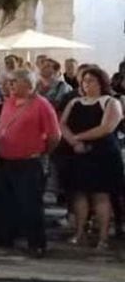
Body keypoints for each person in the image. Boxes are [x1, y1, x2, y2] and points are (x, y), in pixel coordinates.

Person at [0, 68, 61, 257]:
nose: (10, 85)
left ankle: (36, 243)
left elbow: (55, 135)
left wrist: (42, 152)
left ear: (29, 85)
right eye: (9, 81)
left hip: (28, 162)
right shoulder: (9, 102)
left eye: (14, 81)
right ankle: (6, 237)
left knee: (30, 204)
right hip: (5, 159)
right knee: (5, 201)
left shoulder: (42, 105)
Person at [58, 66, 124, 250]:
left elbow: (106, 128)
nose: (87, 84)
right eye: (84, 81)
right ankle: (79, 232)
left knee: (100, 195)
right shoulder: (75, 102)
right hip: (77, 152)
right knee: (79, 194)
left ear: (101, 82)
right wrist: (72, 141)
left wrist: (79, 137)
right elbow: (62, 123)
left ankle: (103, 237)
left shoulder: (111, 102)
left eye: (91, 81)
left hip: (102, 153)